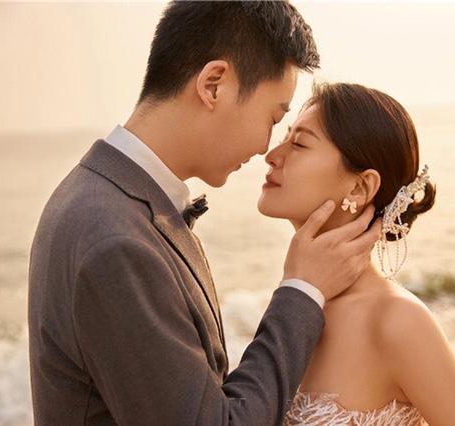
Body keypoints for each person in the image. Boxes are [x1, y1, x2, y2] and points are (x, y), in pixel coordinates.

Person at [28, 2, 381, 425]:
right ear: (214, 85)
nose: (265, 148)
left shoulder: (100, 195)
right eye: (273, 118)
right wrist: (302, 290)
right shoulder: (116, 238)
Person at [258, 82, 455, 426]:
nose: (271, 155)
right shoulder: (296, 305)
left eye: (299, 144)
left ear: (359, 187)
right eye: (285, 137)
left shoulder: (397, 320)